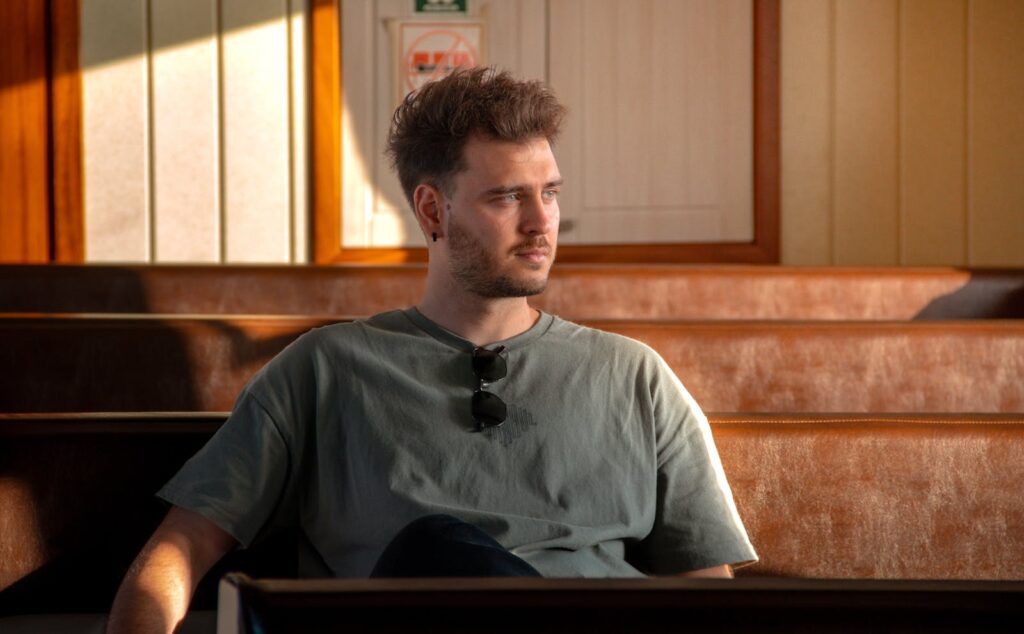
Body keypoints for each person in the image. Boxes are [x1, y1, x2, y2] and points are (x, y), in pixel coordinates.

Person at [107, 67, 757, 633]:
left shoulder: (634, 376)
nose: (541, 223)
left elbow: (708, 591)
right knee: (435, 551)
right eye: (507, 196)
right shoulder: (326, 368)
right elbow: (178, 550)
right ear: (433, 211)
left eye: (549, 193)